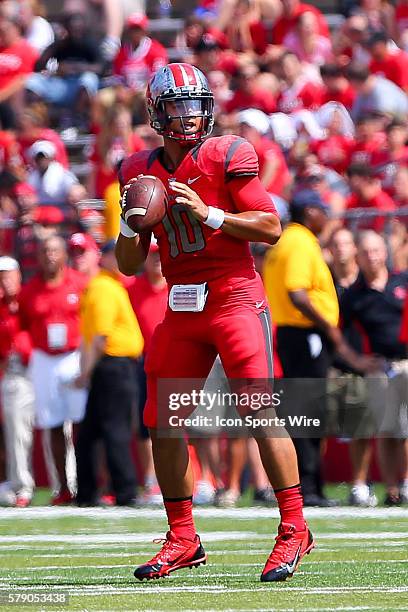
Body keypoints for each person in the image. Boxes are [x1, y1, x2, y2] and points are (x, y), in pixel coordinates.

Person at [116, 62, 314, 583]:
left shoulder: (227, 153)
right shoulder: (137, 169)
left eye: (197, 105)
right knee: (161, 418)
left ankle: (294, 527)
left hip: (234, 296)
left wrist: (210, 214)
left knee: (257, 408)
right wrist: (128, 220)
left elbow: (270, 227)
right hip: (182, 305)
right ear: (157, 113)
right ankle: (183, 536)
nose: (190, 116)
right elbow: (130, 264)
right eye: (178, 107)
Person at [263, 190, 376, 506]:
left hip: (296, 335)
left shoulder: (288, 240)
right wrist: (329, 329)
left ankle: (306, 486)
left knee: (303, 411)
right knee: (307, 412)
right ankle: (307, 488)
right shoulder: (300, 241)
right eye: (323, 210)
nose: (327, 216)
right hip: (305, 334)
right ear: (310, 211)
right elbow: (297, 293)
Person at [341, 231, 408, 505]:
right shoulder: (354, 295)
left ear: (385, 252)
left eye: (376, 250)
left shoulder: (402, 281)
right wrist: (356, 360)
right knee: (386, 428)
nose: (372, 256)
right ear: (359, 255)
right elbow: (336, 334)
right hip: (379, 367)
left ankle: (406, 483)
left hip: (406, 363)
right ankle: (391, 488)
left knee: (405, 429)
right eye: (366, 251)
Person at [19, 235, 87, 504]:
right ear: (38, 257)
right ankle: (64, 487)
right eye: (45, 250)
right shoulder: (30, 290)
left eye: (54, 250)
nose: (49, 255)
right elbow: (21, 324)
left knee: (82, 421)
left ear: (63, 255)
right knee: (53, 423)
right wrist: (28, 351)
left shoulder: (79, 283)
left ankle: (89, 482)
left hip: (73, 355)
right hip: (44, 359)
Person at [75, 239, 144, 506]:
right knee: (112, 430)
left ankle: (91, 491)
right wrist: (86, 372)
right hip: (114, 366)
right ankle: (123, 491)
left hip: (111, 367)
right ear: (101, 259)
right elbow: (100, 338)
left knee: (95, 432)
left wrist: (86, 372)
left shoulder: (101, 287)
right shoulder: (103, 287)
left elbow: (94, 338)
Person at [328, 228, 377, 507]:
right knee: (316, 425)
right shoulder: (324, 279)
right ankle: (312, 484)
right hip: (329, 362)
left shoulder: (365, 283)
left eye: (347, 243)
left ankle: (359, 483)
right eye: (337, 244)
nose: (342, 249)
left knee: (360, 427)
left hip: (361, 362)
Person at [127, 240, 167, 505]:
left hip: (179, 361)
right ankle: (152, 480)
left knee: (188, 426)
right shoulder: (132, 289)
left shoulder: (179, 285)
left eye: (160, 255)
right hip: (144, 363)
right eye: (153, 256)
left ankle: (203, 480)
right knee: (146, 424)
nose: (157, 261)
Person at [0, 256, 34, 507]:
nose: (5, 281)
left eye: (8, 274)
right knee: (16, 432)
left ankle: (66, 484)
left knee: (58, 428)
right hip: (13, 372)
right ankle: (21, 485)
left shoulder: (30, 300)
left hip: (39, 367)